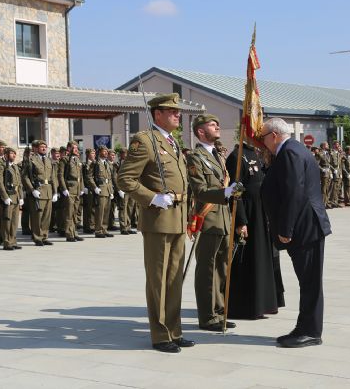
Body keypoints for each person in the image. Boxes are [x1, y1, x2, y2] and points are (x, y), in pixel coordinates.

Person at [117, 92, 194, 354]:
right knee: (159, 280)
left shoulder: (172, 142)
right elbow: (125, 179)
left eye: (178, 111)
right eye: (172, 111)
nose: (177, 114)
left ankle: (174, 329)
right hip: (158, 219)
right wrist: (152, 198)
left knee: (174, 279)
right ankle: (160, 334)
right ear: (157, 114)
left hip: (178, 218)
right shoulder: (145, 141)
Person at [259, 118, 331, 348]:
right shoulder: (292, 150)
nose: (261, 142)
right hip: (305, 225)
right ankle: (304, 327)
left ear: (274, 135)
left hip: (303, 227)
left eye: (263, 137)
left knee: (310, 282)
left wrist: (286, 229)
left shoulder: (290, 152)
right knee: (308, 281)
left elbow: (294, 193)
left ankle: (310, 331)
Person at [187, 114, 240, 332]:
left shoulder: (217, 154)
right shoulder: (195, 157)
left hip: (224, 219)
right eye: (212, 125)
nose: (217, 126)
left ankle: (220, 312)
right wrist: (226, 192)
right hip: (208, 219)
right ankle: (207, 317)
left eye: (217, 123)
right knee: (208, 269)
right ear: (201, 132)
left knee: (222, 268)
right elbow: (200, 190)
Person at [225, 142, 285, 320]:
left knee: (265, 259)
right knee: (249, 260)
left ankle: (264, 302)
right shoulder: (237, 156)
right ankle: (246, 305)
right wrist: (240, 220)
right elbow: (235, 191)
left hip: (262, 214)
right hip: (249, 216)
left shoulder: (259, 154)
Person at [22, 140, 58, 246]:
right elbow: (25, 177)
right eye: (41, 147)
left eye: (45, 147)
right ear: (36, 148)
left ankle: (44, 236)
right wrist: (32, 190)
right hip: (38, 190)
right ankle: (37, 237)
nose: (44, 149)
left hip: (48, 191)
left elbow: (53, 177)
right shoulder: (31, 160)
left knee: (47, 216)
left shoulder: (48, 160)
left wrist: (55, 192)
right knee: (37, 216)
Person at [0, 147, 23, 250]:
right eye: (12, 154)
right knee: (7, 220)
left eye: (14, 154)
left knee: (15, 221)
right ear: (6, 155)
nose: (14, 156)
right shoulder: (2, 167)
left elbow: (19, 183)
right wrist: (5, 197)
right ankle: (7, 242)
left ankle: (13, 241)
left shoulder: (15, 167)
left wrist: (21, 196)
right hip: (8, 196)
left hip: (16, 196)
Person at [57, 141, 84, 242]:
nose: (76, 150)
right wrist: (64, 189)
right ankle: (69, 234)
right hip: (69, 188)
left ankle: (74, 232)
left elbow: (80, 177)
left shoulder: (77, 160)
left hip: (77, 189)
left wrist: (81, 188)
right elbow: (60, 175)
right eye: (74, 148)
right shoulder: (64, 160)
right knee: (69, 212)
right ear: (68, 148)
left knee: (75, 213)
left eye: (77, 148)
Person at [87, 145, 114, 239]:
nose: (106, 153)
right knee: (100, 212)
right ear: (99, 152)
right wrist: (95, 187)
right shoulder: (95, 163)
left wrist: (111, 191)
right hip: (100, 189)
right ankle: (98, 230)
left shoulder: (107, 164)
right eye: (104, 151)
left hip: (107, 190)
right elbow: (89, 177)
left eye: (107, 151)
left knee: (106, 211)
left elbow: (110, 178)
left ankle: (104, 229)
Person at [315, 142, 332, 208]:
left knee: (328, 188)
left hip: (328, 173)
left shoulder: (327, 154)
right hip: (324, 174)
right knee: (323, 189)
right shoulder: (319, 154)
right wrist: (322, 169)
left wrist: (330, 172)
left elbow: (329, 163)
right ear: (323, 146)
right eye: (327, 145)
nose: (328, 146)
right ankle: (322, 203)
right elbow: (316, 164)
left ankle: (326, 202)